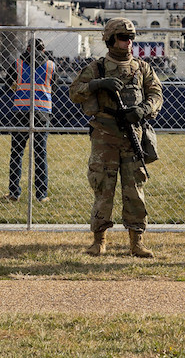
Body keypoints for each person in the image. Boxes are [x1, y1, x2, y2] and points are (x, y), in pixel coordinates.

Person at [68, 17, 163, 258]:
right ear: (111, 39)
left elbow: (156, 94)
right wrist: (97, 85)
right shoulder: (96, 68)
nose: (128, 42)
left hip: (133, 135)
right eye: (123, 38)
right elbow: (74, 92)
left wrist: (143, 110)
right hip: (105, 135)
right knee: (103, 187)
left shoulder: (142, 68)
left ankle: (137, 241)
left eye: (131, 38)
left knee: (134, 189)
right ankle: (99, 240)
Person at [5, 38, 55, 203]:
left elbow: (6, 85)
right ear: (43, 49)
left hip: (20, 111)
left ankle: (14, 193)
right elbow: (54, 85)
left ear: (27, 48)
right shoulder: (50, 65)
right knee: (40, 153)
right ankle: (41, 195)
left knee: (17, 153)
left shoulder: (17, 64)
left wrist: (17, 87)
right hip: (42, 112)